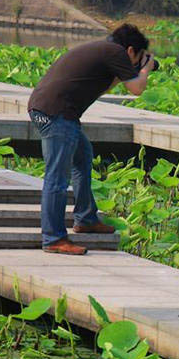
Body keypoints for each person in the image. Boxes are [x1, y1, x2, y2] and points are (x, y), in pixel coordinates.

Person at [27, 23, 158, 255]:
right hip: (57, 114)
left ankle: (86, 218)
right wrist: (145, 69)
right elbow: (137, 89)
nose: (136, 64)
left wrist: (133, 69)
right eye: (137, 58)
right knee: (57, 178)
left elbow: (104, 87)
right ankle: (53, 238)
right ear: (130, 51)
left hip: (49, 110)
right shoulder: (116, 52)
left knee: (83, 156)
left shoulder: (105, 51)